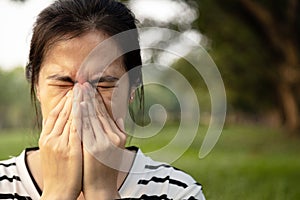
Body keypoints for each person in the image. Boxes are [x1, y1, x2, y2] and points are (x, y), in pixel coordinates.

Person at [0, 0, 205, 199]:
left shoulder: (177, 191)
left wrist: (102, 192)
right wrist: (57, 194)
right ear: (36, 85)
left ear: (133, 88)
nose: (80, 100)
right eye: (63, 83)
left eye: (103, 84)